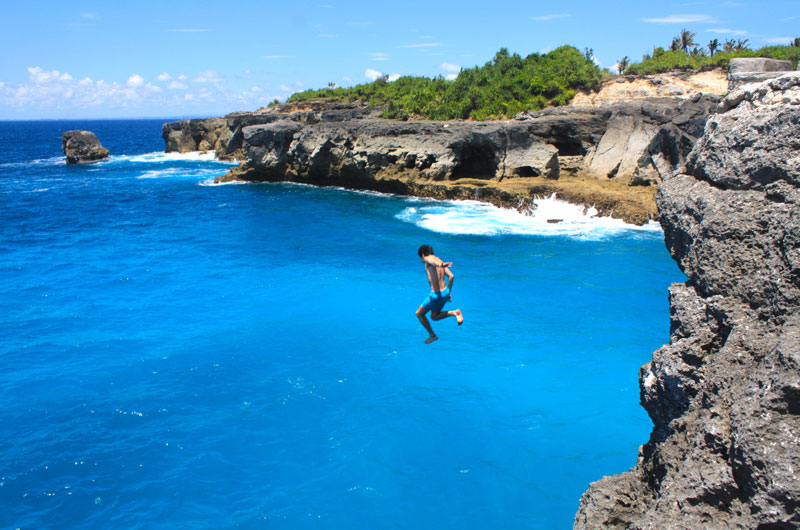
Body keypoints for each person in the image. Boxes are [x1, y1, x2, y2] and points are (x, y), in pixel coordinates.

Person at [415, 244, 464, 344]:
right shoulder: (439, 261)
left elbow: (432, 260)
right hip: (445, 293)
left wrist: (441, 264)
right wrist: (449, 293)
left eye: (420, 257)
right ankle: (455, 312)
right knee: (434, 316)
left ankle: (433, 336)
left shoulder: (429, 260)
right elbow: (451, 276)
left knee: (419, 314)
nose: (421, 260)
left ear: (423, 255)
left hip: (436, 295)